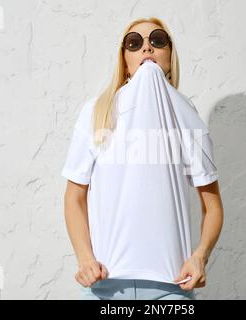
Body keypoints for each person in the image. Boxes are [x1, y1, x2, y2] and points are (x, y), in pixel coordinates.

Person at [62, 17, 224, 300]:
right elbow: (74, 196)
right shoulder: (95, 113)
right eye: (134, 43)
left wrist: (200, 256)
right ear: (125, 61)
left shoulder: (187, 117)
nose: (146, 48)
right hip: (106, 288)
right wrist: (85, 259)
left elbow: (212, 204)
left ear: (170, 55)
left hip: (171, 289)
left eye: (157, 40)